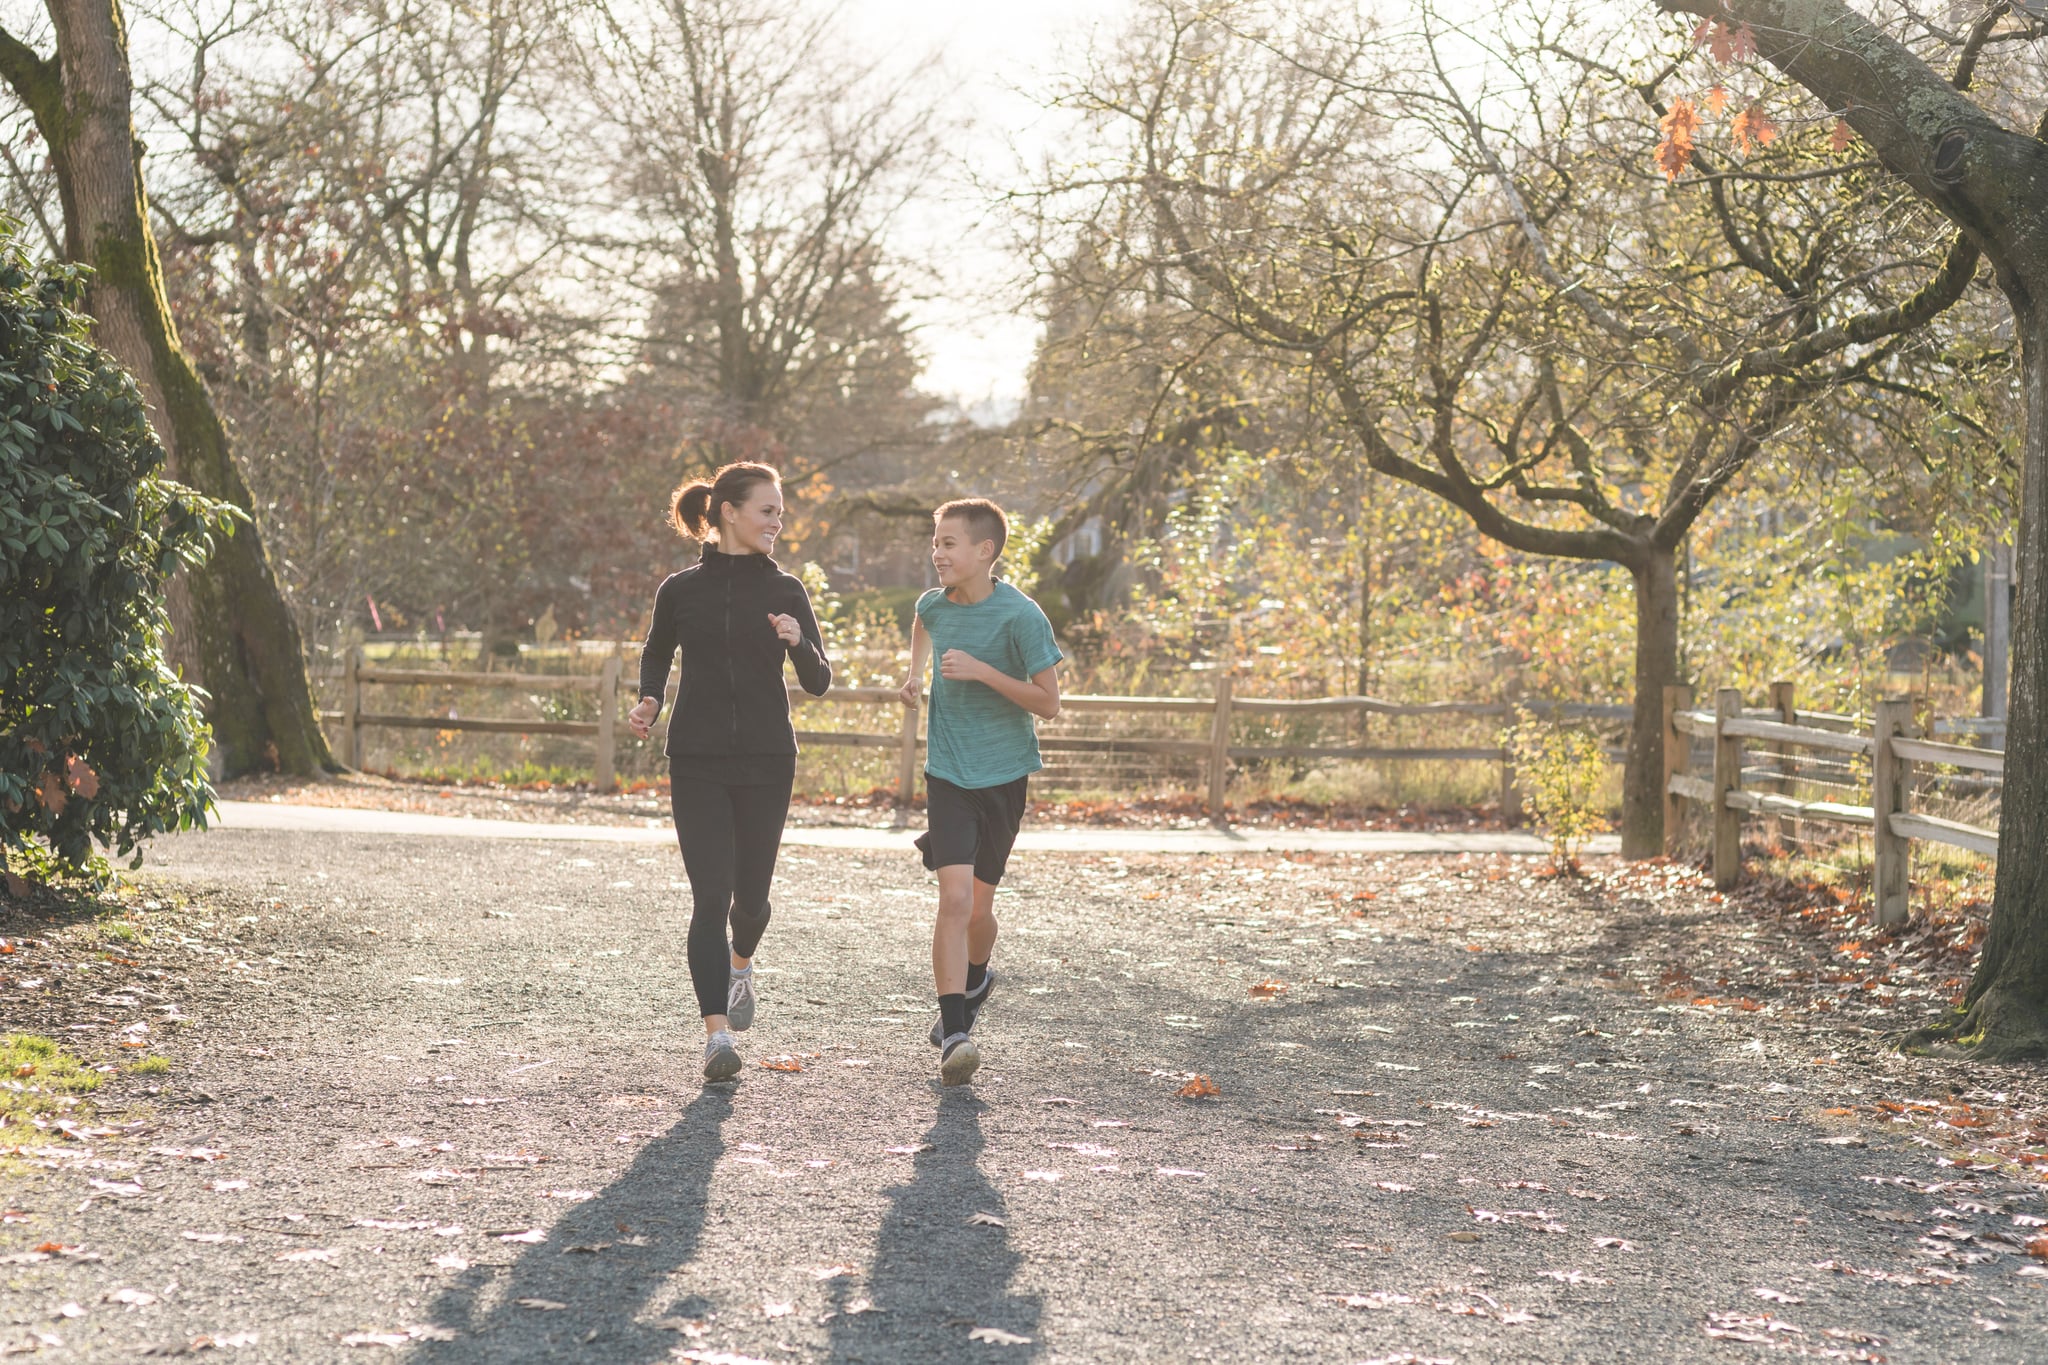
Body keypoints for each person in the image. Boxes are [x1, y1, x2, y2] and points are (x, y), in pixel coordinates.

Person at [629, 462, 831, 1083]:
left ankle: (741, 963)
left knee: (751, 904)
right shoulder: (679, 591)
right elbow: (658, 650)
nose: (777, 522)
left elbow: (820, 682)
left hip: (769, 759)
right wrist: (650, 699)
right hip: (697, 759)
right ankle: (716, 1037)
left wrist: (798, 642)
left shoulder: (788, 590)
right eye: (767, 510)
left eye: (779, 512)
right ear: (728, 512)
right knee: (709, 896)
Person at [896, 498, 1063, 1086]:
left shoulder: (1021, 617)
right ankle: (956, 1030)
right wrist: (917, 672)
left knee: (981, 914)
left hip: (1004, 776)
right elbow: (922, 626)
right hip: (947, 774)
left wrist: (985, 673)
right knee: (955, 901)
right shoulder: (932, 606)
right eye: (935, 542)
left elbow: (1050, 702)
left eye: (948, 544)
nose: (936, 553)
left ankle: (979, 973)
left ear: (984, 551)